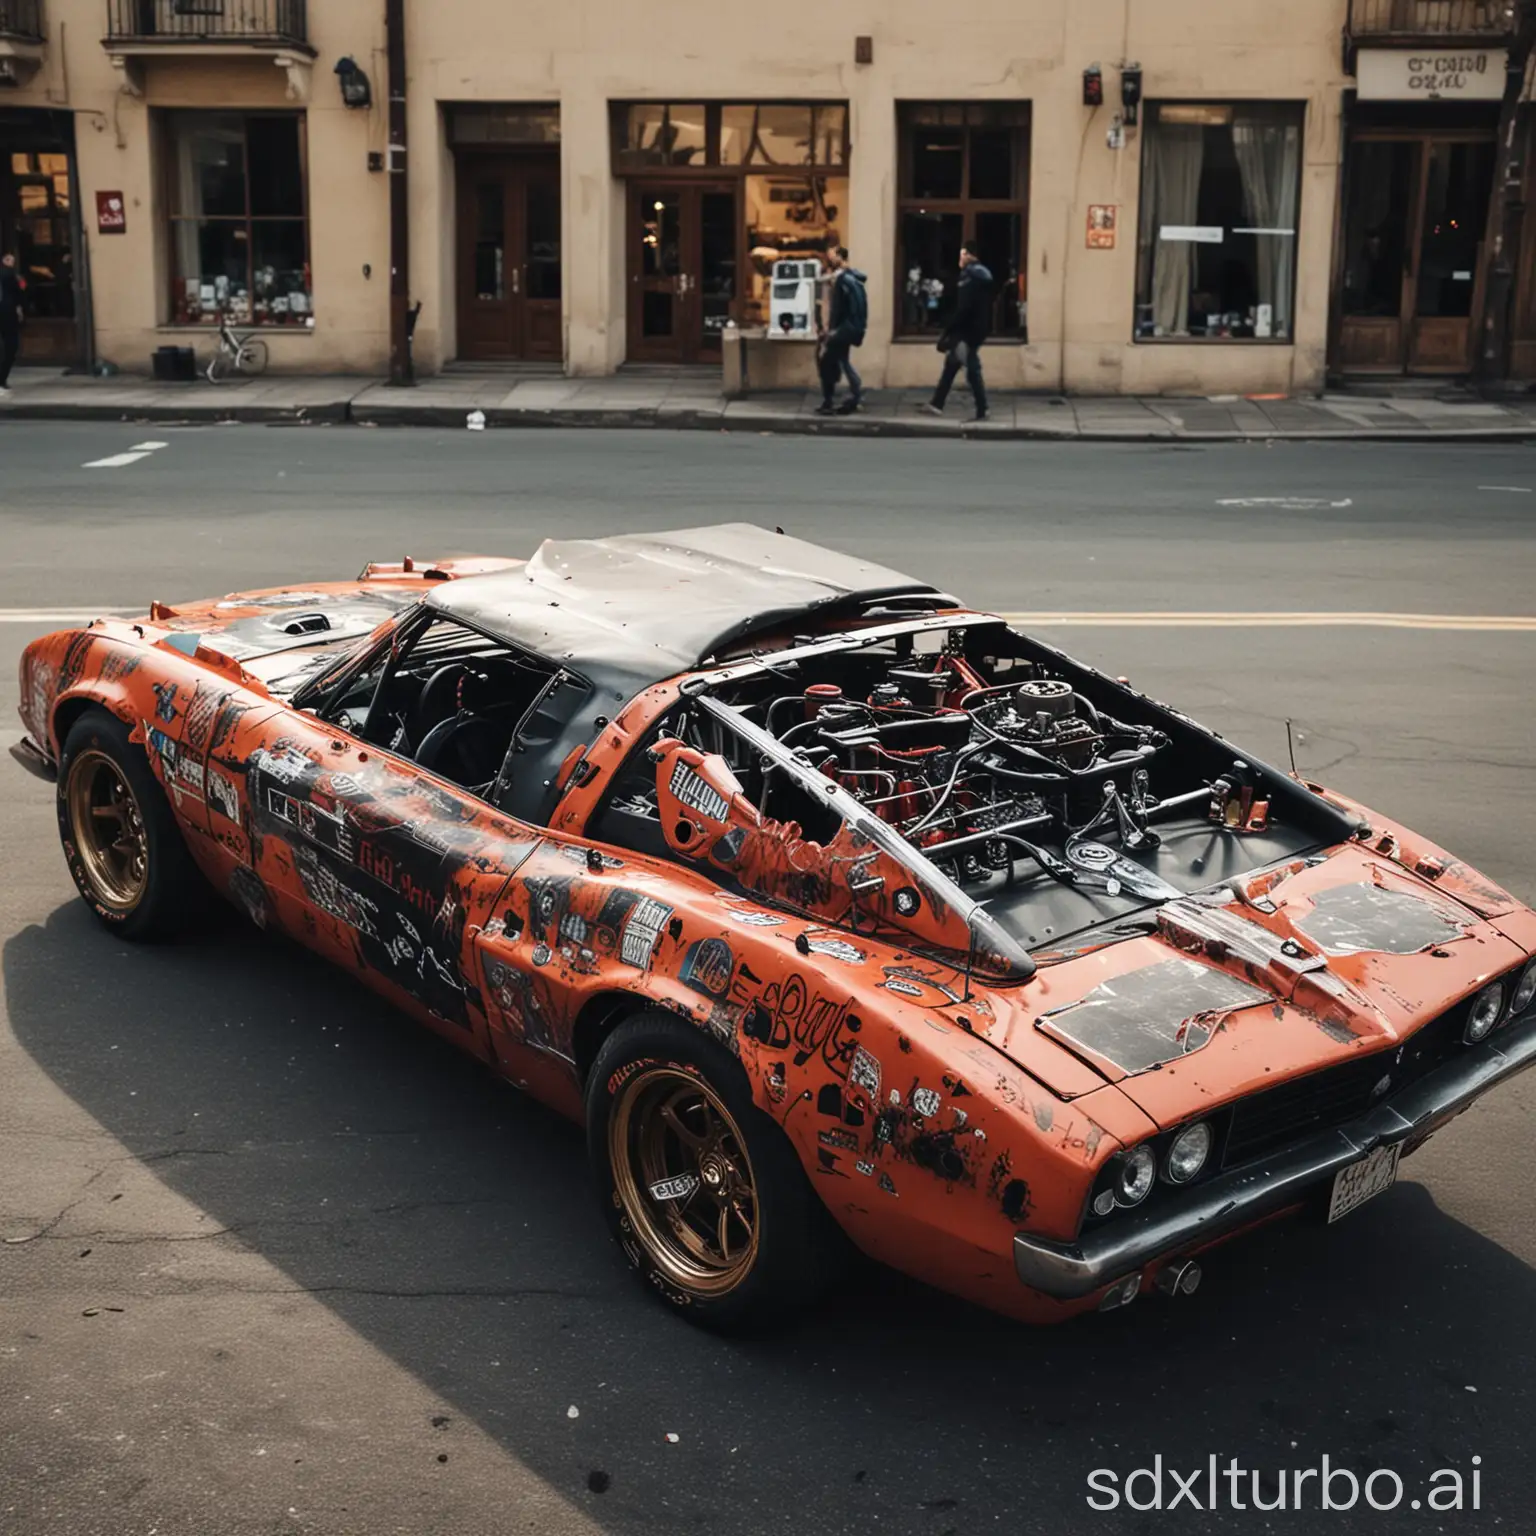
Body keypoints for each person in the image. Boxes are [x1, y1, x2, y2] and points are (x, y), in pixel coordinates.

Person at [920, 241, 992, 422]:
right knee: (952, 364)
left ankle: (983, 408)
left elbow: (964, 307)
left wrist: (950, 328)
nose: (959, 259)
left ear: (968, 255)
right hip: (979, 328)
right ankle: (937, 403)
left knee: (972, 369)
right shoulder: (984, 274)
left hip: (966, 331)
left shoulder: (969, 276)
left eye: (962, 255)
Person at [815, 245, 867, 416]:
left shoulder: (843, 280)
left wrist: (832, 330)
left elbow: (839, 309)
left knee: (828, 362)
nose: (829, 258)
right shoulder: (850, 278)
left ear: (840, 257)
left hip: (841, 329)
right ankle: (853, 394)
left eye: (832, 255)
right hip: (845, 328)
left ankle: (832, 400)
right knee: (842, 361)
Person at [0, 253, 24, 396]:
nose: (12, 263)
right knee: (11, 346)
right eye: (9, 260)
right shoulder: (9, 275)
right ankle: (2, 379)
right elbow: (19, 293)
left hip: (6, 313)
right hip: (8, 315)